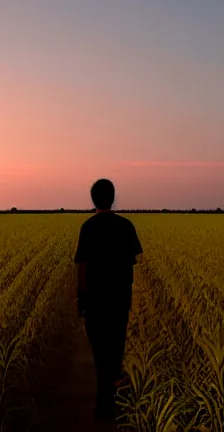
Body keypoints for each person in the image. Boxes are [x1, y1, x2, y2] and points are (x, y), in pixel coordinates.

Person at [74, 178, 143, 421]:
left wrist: (80, 299)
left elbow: (81, 266)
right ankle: (109, 398)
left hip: (94, 300)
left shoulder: (87, 228)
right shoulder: (126, 226)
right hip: (120, 299)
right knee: (115, 349)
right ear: (112, 199)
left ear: (93, 200)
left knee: (100, 350)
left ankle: (103, 403)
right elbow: (134, 261)